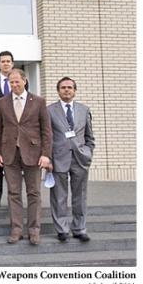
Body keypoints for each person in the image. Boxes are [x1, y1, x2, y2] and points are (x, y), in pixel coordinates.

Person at [0, 68, 52, 245]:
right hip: (9, 153)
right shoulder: (2, 102)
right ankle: (16, 229)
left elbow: (46, 131)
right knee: (13, 193)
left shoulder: (39, 101)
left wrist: (46, 155)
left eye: (17, 81)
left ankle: (34, 230)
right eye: (11, 82)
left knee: (34, 193)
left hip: (33, 154)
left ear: (25, 81)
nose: (14, 85)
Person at [47, 77, 95, 243]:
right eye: (63, 87)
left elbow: (90, 136)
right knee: (59, 196)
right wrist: (48, 158)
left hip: (80, 159)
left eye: (69, 87)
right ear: (58, 91)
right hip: (58, 158)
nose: (66, 90)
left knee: (80, 196)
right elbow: (47, 137)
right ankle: (62, 229)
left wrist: (88, 152)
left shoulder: (84, 109)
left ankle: (79, 228)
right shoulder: (49, 110)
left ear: (75, 90)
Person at [0, 51, 26, 210]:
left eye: (8, 61)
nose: (5, 64)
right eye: (2, 61)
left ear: (12, 63)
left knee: (15, 165)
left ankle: (14, 198)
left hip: (16, 130)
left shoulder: (19, 81)